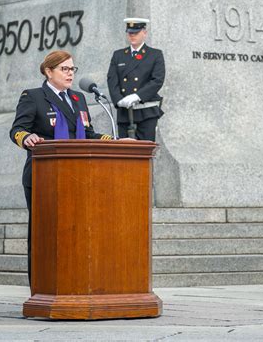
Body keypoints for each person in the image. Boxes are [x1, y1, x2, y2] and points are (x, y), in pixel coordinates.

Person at [9, 49, 112, 281]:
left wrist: (115, 142)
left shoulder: (79, 98)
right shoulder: (33, 96)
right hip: (44, 176)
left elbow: (87, 134)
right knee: (45, 234)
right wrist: (26, 138)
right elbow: (16, 129)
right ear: (48, 71)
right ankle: (42, 285)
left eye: (72, 69)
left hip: (79, 176)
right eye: (64, 69)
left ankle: (74, 282)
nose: (70, 74)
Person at [107, 18, 165, 141]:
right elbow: (112, 80)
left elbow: (157, 80)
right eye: (130, 33)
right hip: (125, 112)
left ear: (144, 32)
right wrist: (118, 100)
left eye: (136, 33)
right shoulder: (119, 55)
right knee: (125, 153)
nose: (132, 36)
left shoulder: (155, 55)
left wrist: (137, 96)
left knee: (144, 152)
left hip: (146, 111)